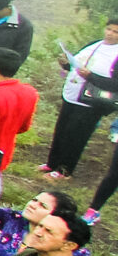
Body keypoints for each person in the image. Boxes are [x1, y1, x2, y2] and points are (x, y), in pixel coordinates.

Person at [47, 17, 118, 182]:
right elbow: (77, 65)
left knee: (76, 136)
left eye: (116, 32)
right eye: (109, 29)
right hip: (72, 94)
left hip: (92, 102)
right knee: (62, 131)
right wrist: (66, 64)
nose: (110, 34)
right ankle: (52, 163)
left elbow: (115, 84)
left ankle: (65, 169)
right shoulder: (95, 44)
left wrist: (91, 76)